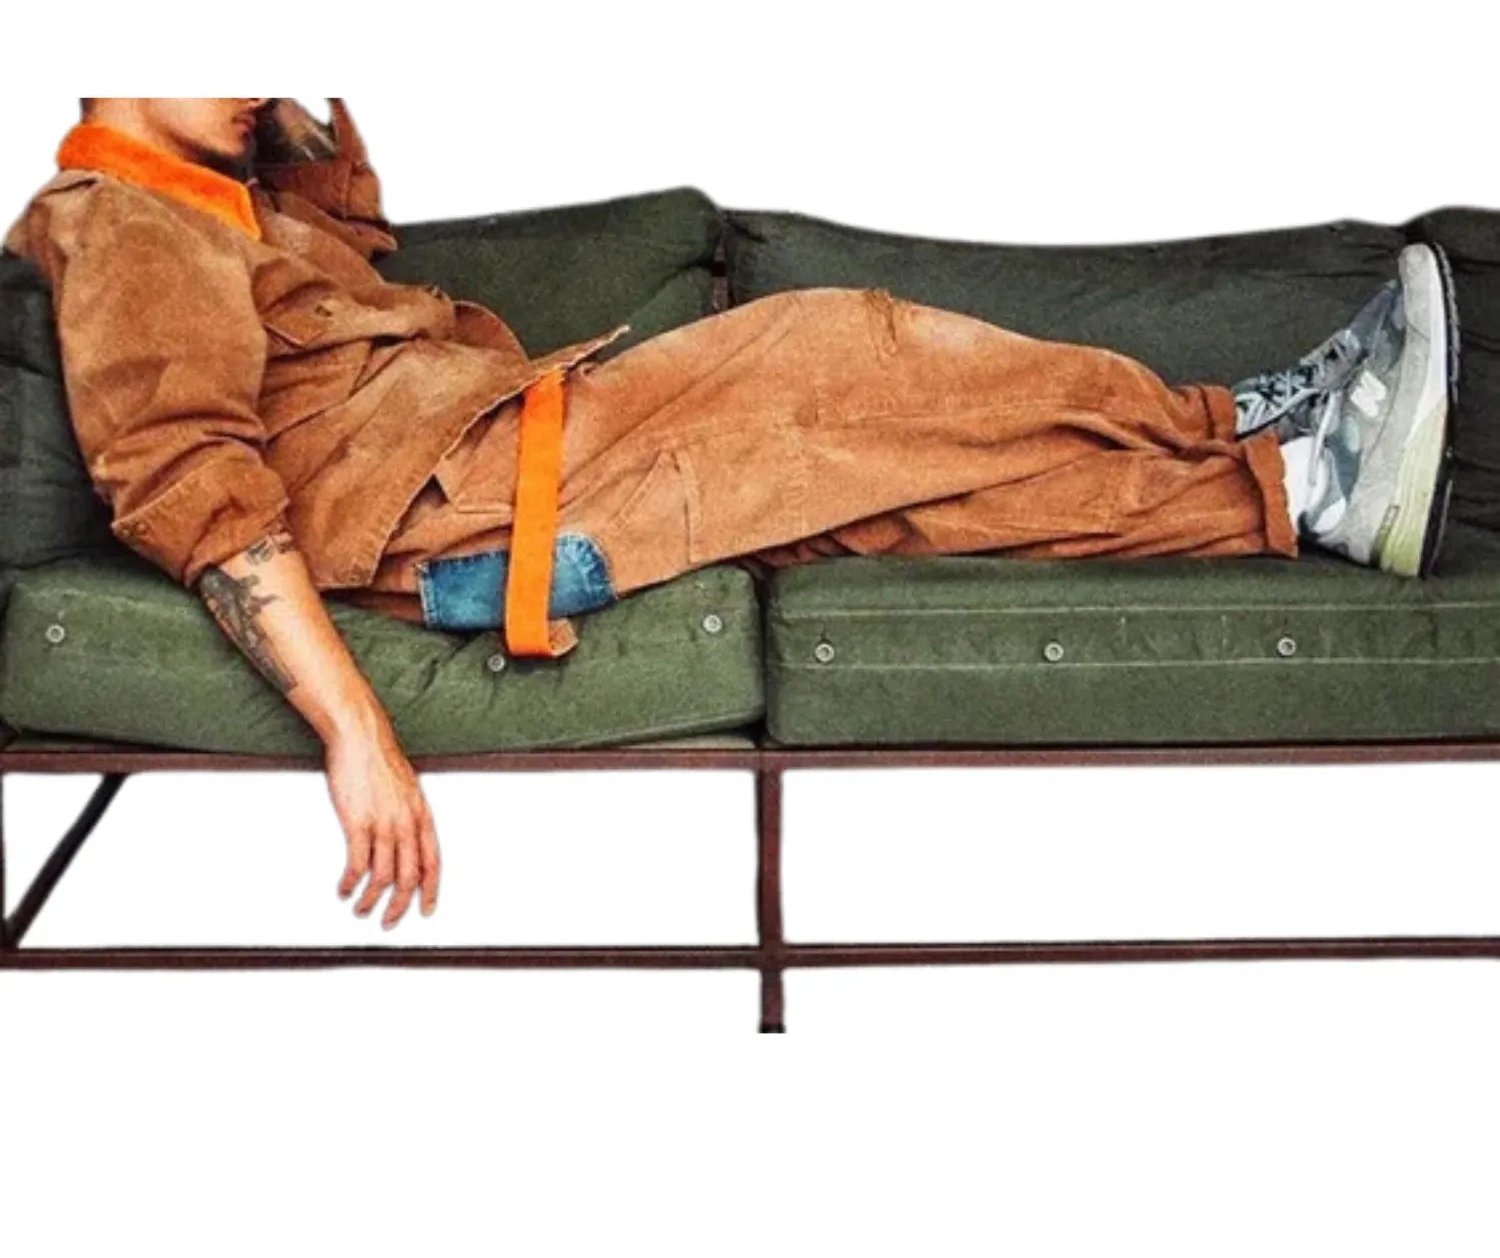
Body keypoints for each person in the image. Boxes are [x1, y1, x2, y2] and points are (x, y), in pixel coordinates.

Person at [0, 98, 1460, 933]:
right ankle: (1247, 420)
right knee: (846, 341)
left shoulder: (219, 194)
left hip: (511, 459)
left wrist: (278, 118)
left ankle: (1302, 487)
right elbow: (191, 486)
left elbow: (352, 236)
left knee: (920, 495)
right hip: (481, 502)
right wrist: (355, 734)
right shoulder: (125, 220)